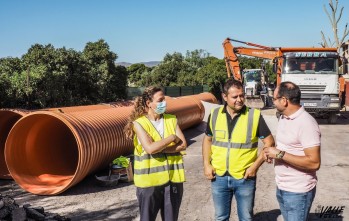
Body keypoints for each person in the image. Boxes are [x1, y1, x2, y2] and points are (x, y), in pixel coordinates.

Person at [202, 79, 275, 221]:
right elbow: (207, 139)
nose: (240, 100)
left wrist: (254, 167)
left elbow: (269, 142)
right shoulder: (215, 114)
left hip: (245, 177)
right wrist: (206, 164)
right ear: (224, 97)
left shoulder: (254, 116)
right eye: (235, 97)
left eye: (242, 95)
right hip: (219, 176)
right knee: (220, 217)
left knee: (246, 218)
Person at [124, 86, 187, 221]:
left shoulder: (171, 119)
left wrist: (161, 147)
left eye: (164, 99)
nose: (164, 103)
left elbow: (182, 145)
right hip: (149, 183)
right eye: (160, 100)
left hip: (172, 180)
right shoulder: (139, 123)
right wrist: (171, 138)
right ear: (149, 104)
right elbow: (150, 149)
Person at [264, 81, 321, 221]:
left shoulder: (306, 123)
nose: (273, 101)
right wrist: (273, 152)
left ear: (284, 101)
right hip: (283, 186)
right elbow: (287, 146)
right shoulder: (284, 117)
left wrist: (280, 154)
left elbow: (314, 163)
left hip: (298, 191)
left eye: (274, 98)